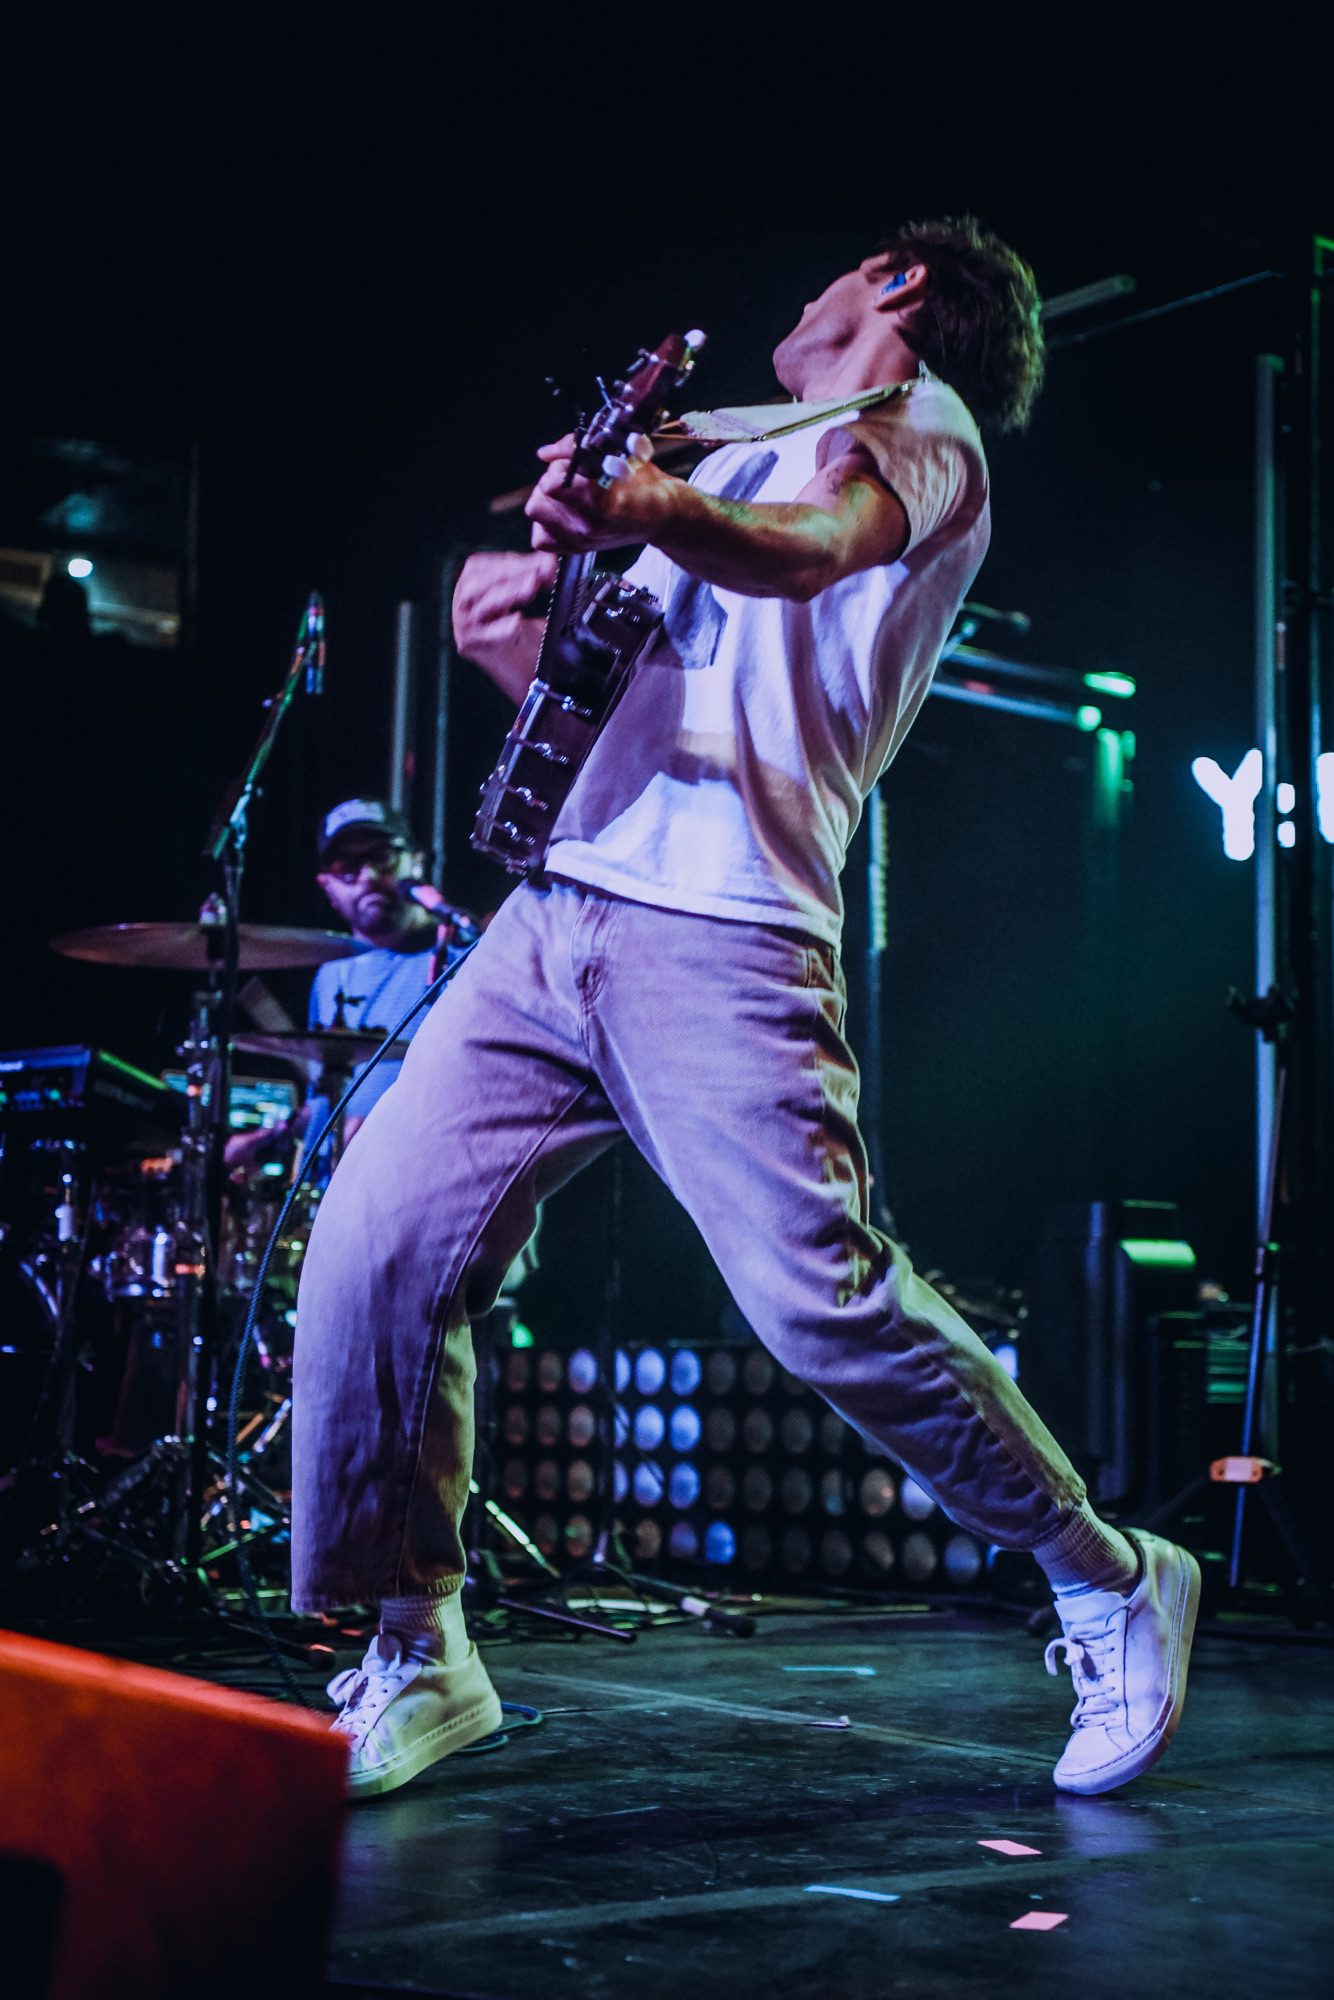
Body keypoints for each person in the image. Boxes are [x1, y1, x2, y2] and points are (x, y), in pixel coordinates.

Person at [293, 217, 1200, 1802]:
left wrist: (653, 504)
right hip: (557, 913)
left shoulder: (914, 428)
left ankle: (1108, 1574)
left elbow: (817, 544)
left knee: (816, 1304)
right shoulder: (723, 452)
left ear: (898, 286)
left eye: (841, 271)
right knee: (371, 1246)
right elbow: (636, 709)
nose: (808, 291)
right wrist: (523, 626)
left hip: (725, 930)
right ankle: (417, 1646)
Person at [225, 798, 476, 1176]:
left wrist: (385, 1131)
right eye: (346, 866)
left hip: (427, 1177)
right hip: (341, 1187)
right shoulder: (331, 973)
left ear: (416, 863)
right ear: (326, 886)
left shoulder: (462, 958)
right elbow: (330, 1099)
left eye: (382, 857)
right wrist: (270, 1136)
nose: (368, 875)